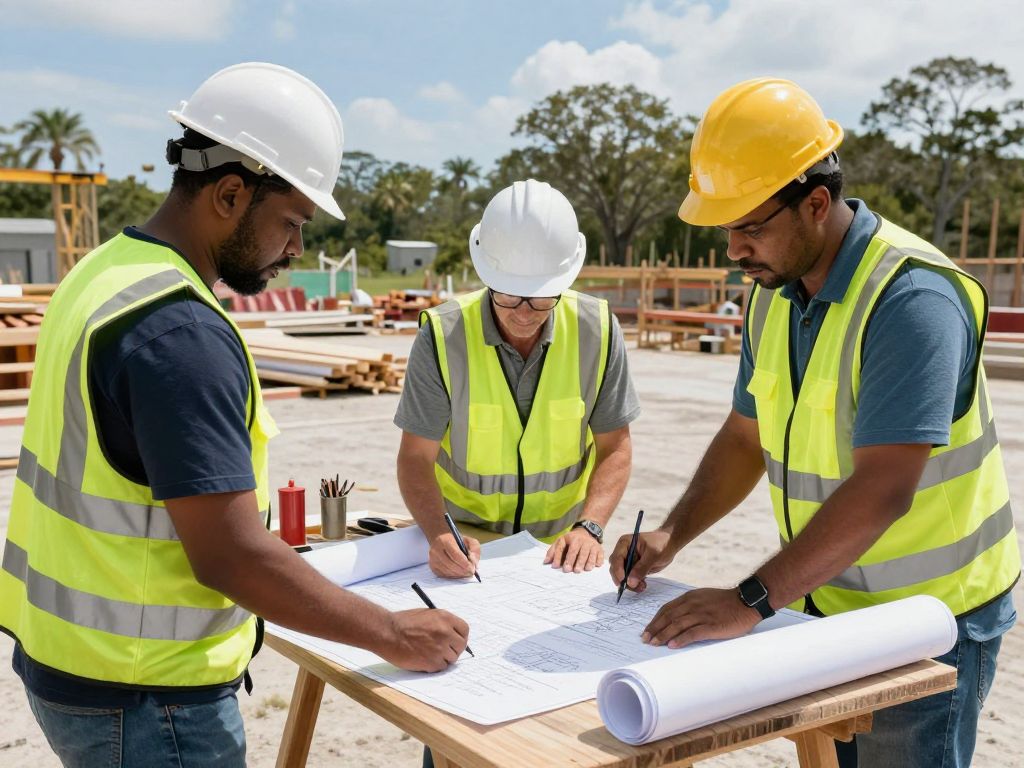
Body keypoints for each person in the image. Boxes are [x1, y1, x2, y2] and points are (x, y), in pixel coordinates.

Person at [0, 62, 468, 768]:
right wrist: (391, 634)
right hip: (147, 696)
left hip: (72, 666)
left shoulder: (103, 271)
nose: (297, 250)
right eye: (292, 223)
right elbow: (229, 554)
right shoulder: (178, 332)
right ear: (227, 193)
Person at [610, 78, 1019, 768]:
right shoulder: (774, 293)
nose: (734, 250)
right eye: (725, 229)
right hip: (825, 601)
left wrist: (750, 599)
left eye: (749, 226)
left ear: (817, 204)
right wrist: (670, 536)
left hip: (930, 620)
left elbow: (884, 488)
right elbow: (747, 437)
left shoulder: (910, 298)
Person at [395, 179, 640, 578]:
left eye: (542, 297)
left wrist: (590, 527)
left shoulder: (598, 330)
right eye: (509, 295)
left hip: (559, 551)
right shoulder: (443, 336)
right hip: (466, 541)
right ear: (486, 276)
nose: (524, 312)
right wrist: (439, 533)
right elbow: (415, 458)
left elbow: (616, 447)